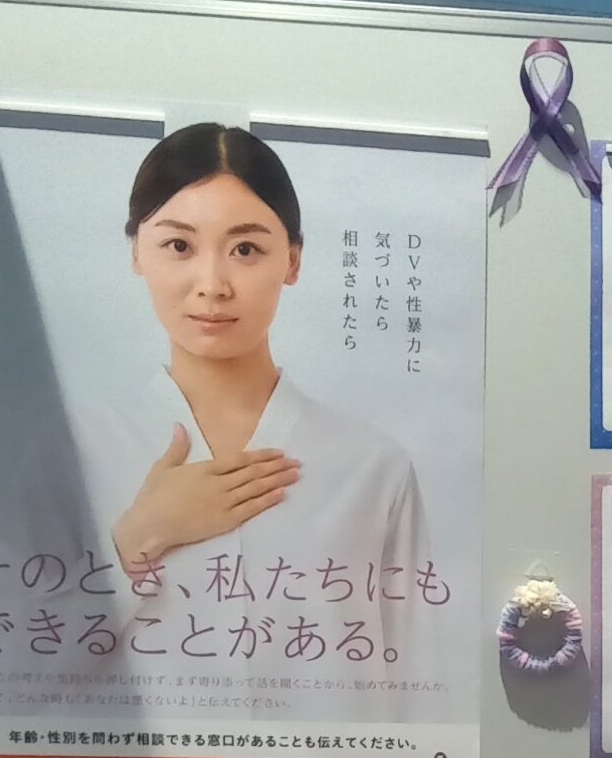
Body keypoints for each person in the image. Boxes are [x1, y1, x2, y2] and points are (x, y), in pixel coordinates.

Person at [78, 123, 431, 717]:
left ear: (292, 261)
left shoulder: (373, 467)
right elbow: (8, 669)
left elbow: (422, 689)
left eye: (245, 250)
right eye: (179, 246)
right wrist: (139, 536)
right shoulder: (78, 452)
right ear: (136, 253)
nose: (212, 286)